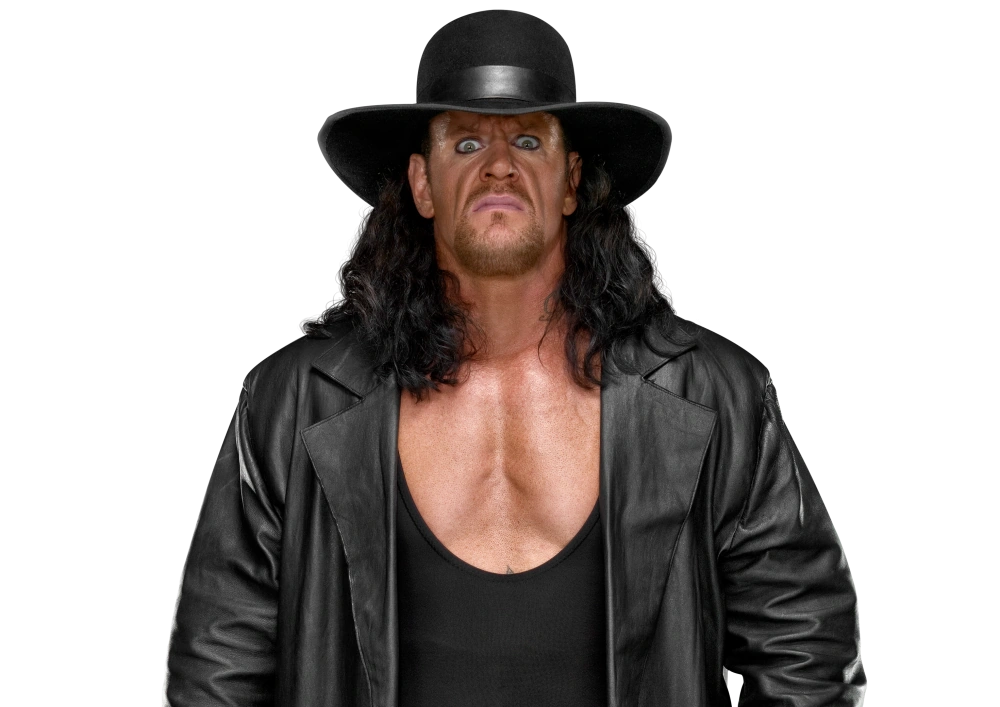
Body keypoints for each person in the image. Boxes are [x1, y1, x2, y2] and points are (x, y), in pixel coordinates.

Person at [165, 9, 865, 706]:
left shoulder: (710, 396)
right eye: (467, 143)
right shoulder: (297, 402)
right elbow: (216, 677)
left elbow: (803, 659)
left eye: (528, 140)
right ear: (422, 184)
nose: (499, 165)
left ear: (570, 182)